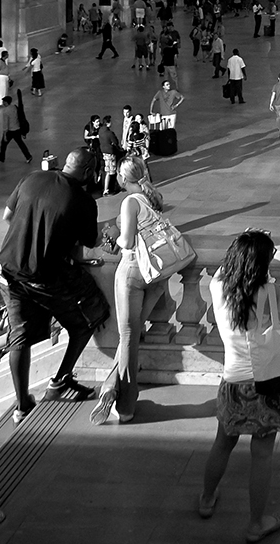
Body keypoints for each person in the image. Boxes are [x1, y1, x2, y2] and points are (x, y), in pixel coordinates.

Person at [0, 151, 109, 418]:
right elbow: (90, 241)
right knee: (85, 321)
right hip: (41, 277)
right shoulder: (84, 201)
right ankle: (59, 381)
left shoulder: (32, 178)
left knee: (19, 338)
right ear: (90, 172)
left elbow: (8, 217)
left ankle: (22, 406)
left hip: (7, 270)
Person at [196, 230, 280, 540]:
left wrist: (247, 243)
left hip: (232, 381)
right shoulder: (265, 292)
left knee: (222, 443)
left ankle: (207, 499)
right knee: (262, 455)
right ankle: (256, 523)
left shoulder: (217, 287)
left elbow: (226, 268)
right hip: (263, 384)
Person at [92, 156, 178, 425]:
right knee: (134, 331)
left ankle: (126, 403)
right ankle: (110, 385)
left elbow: (127, 241)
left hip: (133, 271)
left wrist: (112, 235)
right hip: (157, 274)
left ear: (122, 176)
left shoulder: (129, 201)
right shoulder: (153, 198)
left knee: (127, 336)